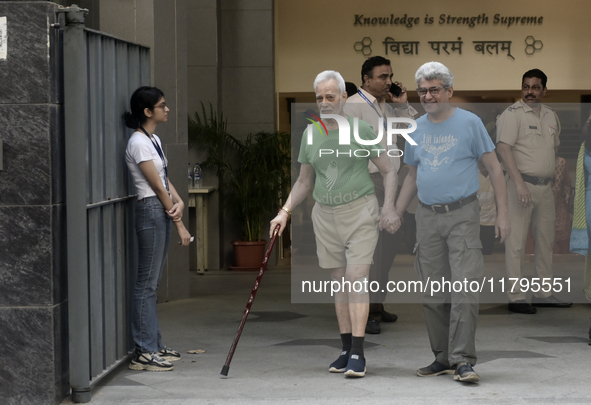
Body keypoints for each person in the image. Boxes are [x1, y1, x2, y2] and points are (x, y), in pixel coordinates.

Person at [270, 70, 400, 378]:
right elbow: (304, 181)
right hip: (324, 215)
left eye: (331, 97)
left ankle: (358, 352)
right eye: (319, 98)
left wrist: (388, 206)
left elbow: (389, 170)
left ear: (343, 98)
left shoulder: (362, 130)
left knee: (356, 279)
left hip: (360, 213)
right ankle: (345, 349)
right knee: (340, 283)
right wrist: (284, 212)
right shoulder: (311, 134)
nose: (325, 103)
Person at [394, 61, 510, 384]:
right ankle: (441, 357)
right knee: (432, 290)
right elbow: (411, 176)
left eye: (434, 90)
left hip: (462, 215)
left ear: (449, 91)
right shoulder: (416, 127)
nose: (428, 96)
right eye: (423, 91)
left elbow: (495, 169)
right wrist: (397, 211)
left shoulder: (470, 124)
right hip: (427, 217)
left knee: (464, 288)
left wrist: (502, 214)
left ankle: (462, 360)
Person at [343, 55, 418, 334]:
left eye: (390, 76)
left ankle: (377, 303)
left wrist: (404, 107)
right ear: (367, 79)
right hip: (367, 182)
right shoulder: (353, 105)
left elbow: (411, 133)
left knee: (387, 246)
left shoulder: (385, 106)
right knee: (369, 250)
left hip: (391, 182)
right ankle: (366, 310)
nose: (389, 82)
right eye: (383, 77)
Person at [123, 86, 192, 371]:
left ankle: (154, 344)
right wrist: (179, 222)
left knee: (151, 284)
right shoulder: (138, 142)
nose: (167, 109)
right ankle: (144, 351)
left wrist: (180, 202)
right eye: (161, 106)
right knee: (146, 285)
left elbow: (164, 178)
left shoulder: (154, 139)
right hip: (151, 209)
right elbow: (154, 184)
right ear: (147, 111)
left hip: (159, 207)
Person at [496, 69, 572, 314]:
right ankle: (516, 296)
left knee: (545, 241)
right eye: (526, 86)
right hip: (521, 185)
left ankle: (543, 292)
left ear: (544, 90)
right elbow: (503, 149)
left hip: (545, 187)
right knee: (516, 243)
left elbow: (555, 149)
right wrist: (518, 183)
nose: (530, 91)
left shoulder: (551, 115)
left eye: (535, 87)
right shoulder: (512, 114)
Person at [552, 150, 573, 253]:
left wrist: (567, 193)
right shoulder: (540, 163)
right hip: (543, 203)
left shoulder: (562, 162)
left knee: (563, 233)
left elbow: (567, 183)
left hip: (559, 204)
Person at [478, 159, 497, 255]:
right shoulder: (472, 174)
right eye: (483, 165)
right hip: (475, 222)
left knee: (487, 253)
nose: (485, 168)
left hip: (490, 222)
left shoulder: (495, 175)